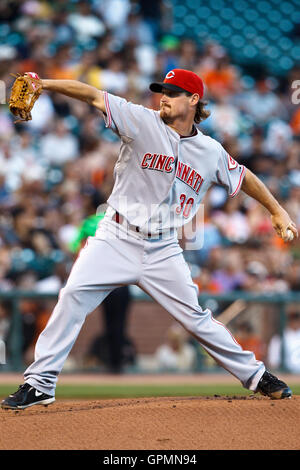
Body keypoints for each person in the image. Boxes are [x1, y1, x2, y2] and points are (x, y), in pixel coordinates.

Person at [2, 68, 298, 410]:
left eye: (172, 92)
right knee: (71, 297)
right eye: (162, 91)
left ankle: (258, 377)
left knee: (195, 318)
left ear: (194, 99)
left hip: (163, 248)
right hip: (115, 235)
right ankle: (40, 384)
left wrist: (276, 211)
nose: (164, 97)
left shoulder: (209, 150)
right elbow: (92, 94)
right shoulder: (140, 120)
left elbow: (244, 177)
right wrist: (45, 83)